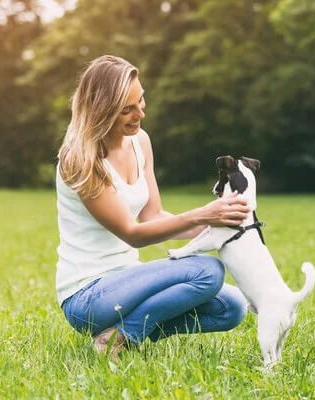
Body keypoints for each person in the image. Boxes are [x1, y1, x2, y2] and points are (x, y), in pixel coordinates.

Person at [56, 55, 250, 357]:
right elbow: (132, 233)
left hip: (129, 281)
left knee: (231, 307)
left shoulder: (140, 142)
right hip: (88, 296)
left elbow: (153, 216)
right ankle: (120, 339)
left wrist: (219, 221)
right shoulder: (80, 159)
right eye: (126, 110)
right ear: (102, 111)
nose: (139, 114)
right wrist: (202, 213)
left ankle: (123, 332)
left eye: (141, 101)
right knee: (208, 271)